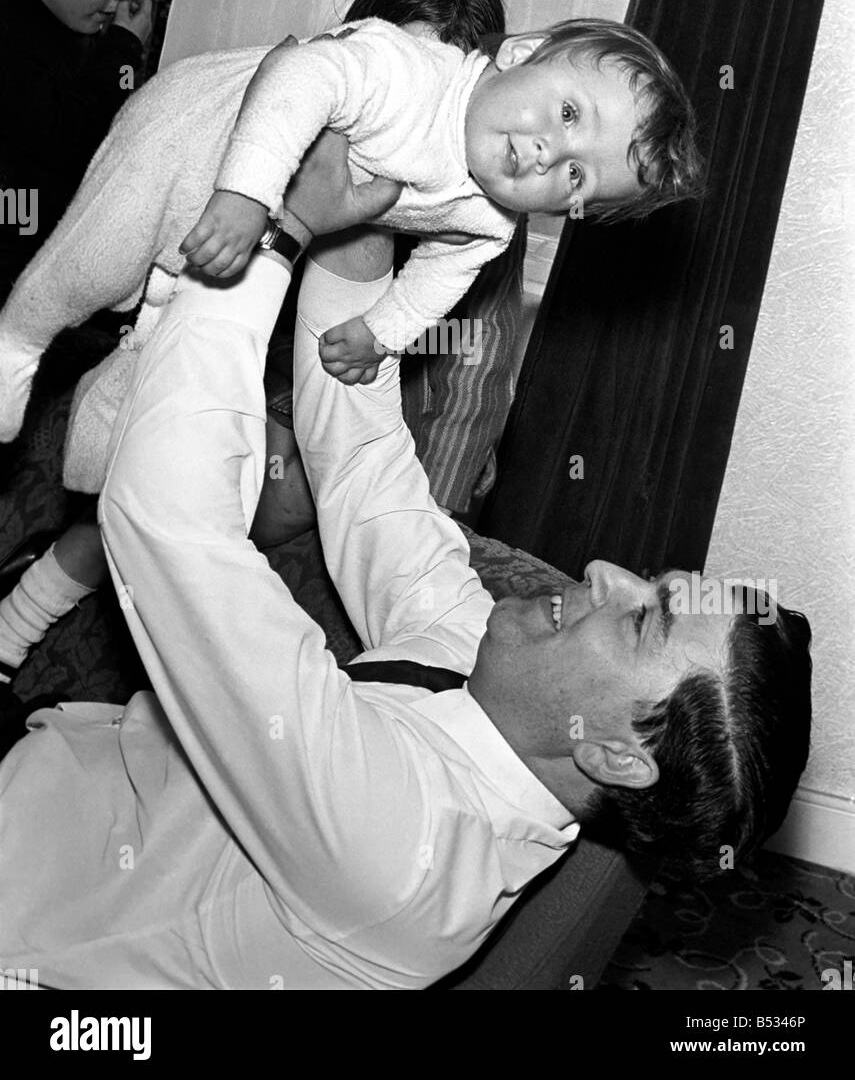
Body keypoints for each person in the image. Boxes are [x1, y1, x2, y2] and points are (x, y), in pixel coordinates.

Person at [0, 141, 812, 989]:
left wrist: (273, 235)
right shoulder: (495, 667)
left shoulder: (399, 853)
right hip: (57, 761)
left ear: (614, 757)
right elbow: (361, 465)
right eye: (652, 579)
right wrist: (366, 210)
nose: (606, 569)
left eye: (643, 616)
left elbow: (169, 527)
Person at [0, 0, 513, 680]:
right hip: (199, 319)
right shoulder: (303, 107)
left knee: (225, 492)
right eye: (406, 58)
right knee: (150, 458)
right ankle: (18, 618)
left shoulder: (458, 203)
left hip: (297, 389)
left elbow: (409, 377)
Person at [182, 11, 702, 382]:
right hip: (201, 136)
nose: (550, 154)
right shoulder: (418, 76)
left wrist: (380, 333)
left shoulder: (493, 221)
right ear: (521, 53)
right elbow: (302, 70)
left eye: (575, 175)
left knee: (158, 320)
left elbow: (440, 275)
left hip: (227, 230)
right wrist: (246, 193)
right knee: (107, 267)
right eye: (569, 113)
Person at [0, 0, 182, 299]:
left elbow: (119, 112)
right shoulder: (11, 40)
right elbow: (72, 140)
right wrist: (123, 50)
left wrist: (123, 59)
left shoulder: (79, 36)